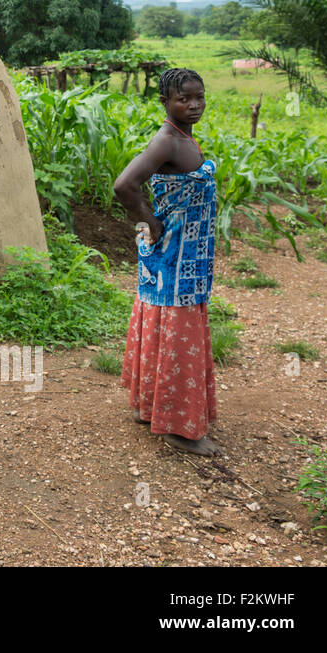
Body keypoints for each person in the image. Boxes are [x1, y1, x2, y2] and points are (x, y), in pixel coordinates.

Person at [112, 67, 220, 456]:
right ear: (165, 103)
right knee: (177, 328)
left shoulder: (183, 138)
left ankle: (154, 408)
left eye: (199, 97)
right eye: (183, 99)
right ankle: (178, 427)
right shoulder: (167, 142)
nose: (193, 105)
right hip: (175, 255)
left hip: (186, 255)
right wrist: (148, 222)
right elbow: (125, 184)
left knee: (166, 324)